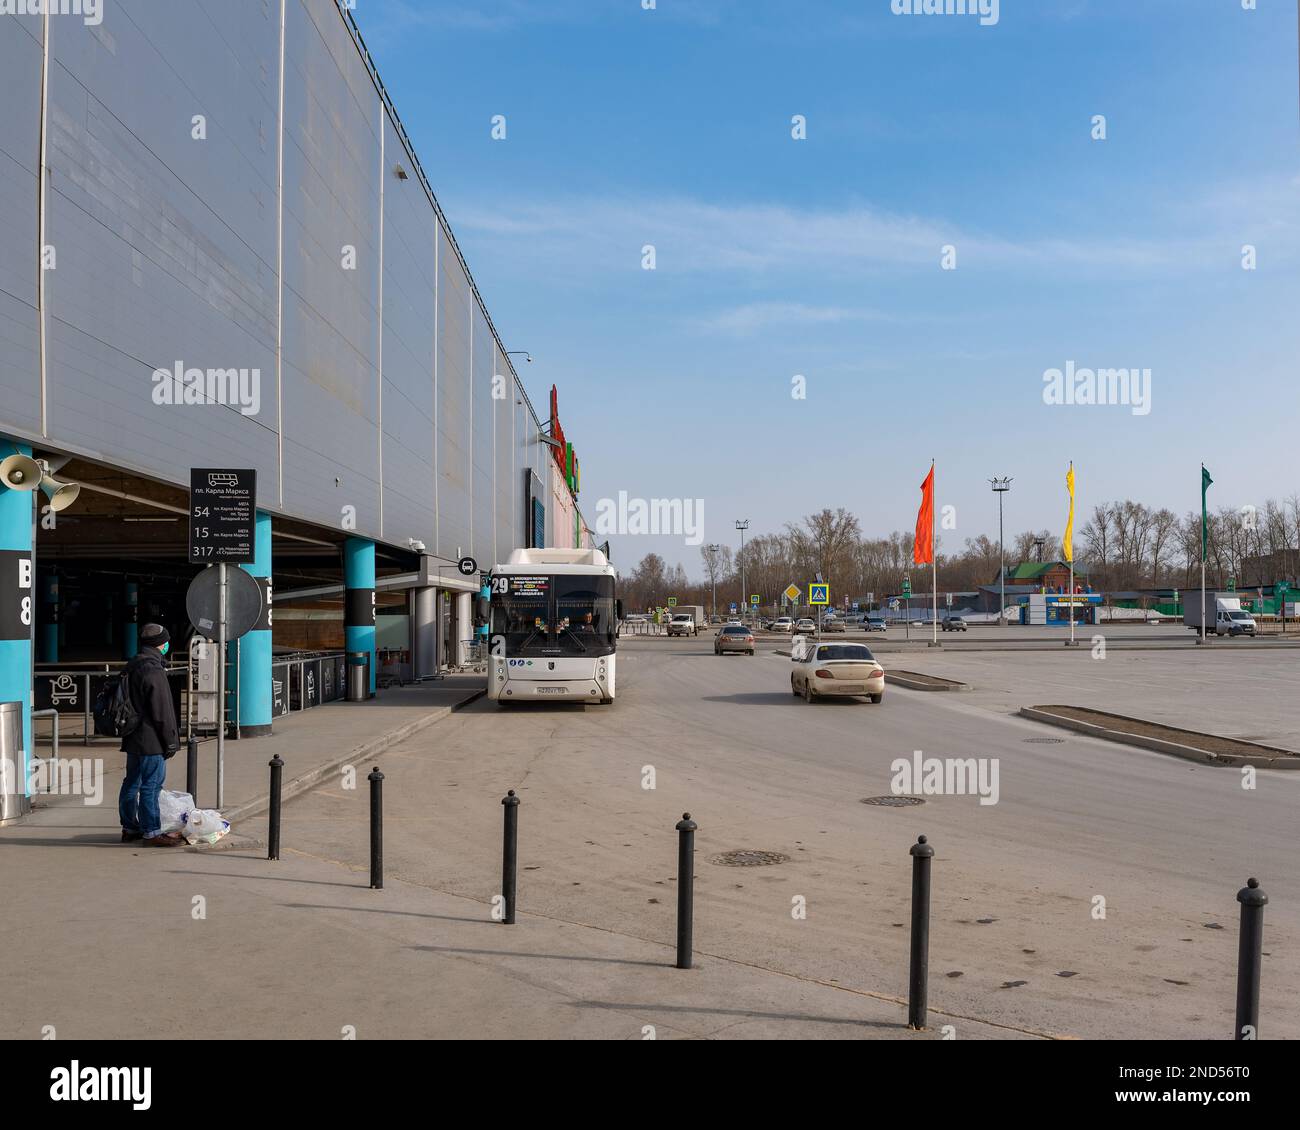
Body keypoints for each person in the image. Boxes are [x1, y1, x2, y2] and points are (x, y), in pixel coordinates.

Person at [118, 623, 182, 846]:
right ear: (161, 644)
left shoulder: (133, 664)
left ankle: (129, 827)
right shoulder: (153, 670)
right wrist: (171, 740)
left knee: (131, 783)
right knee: (151, 785)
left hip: (133, 735)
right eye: (166, 642)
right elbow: (162, 710)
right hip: (151, 738)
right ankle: (152, 832)